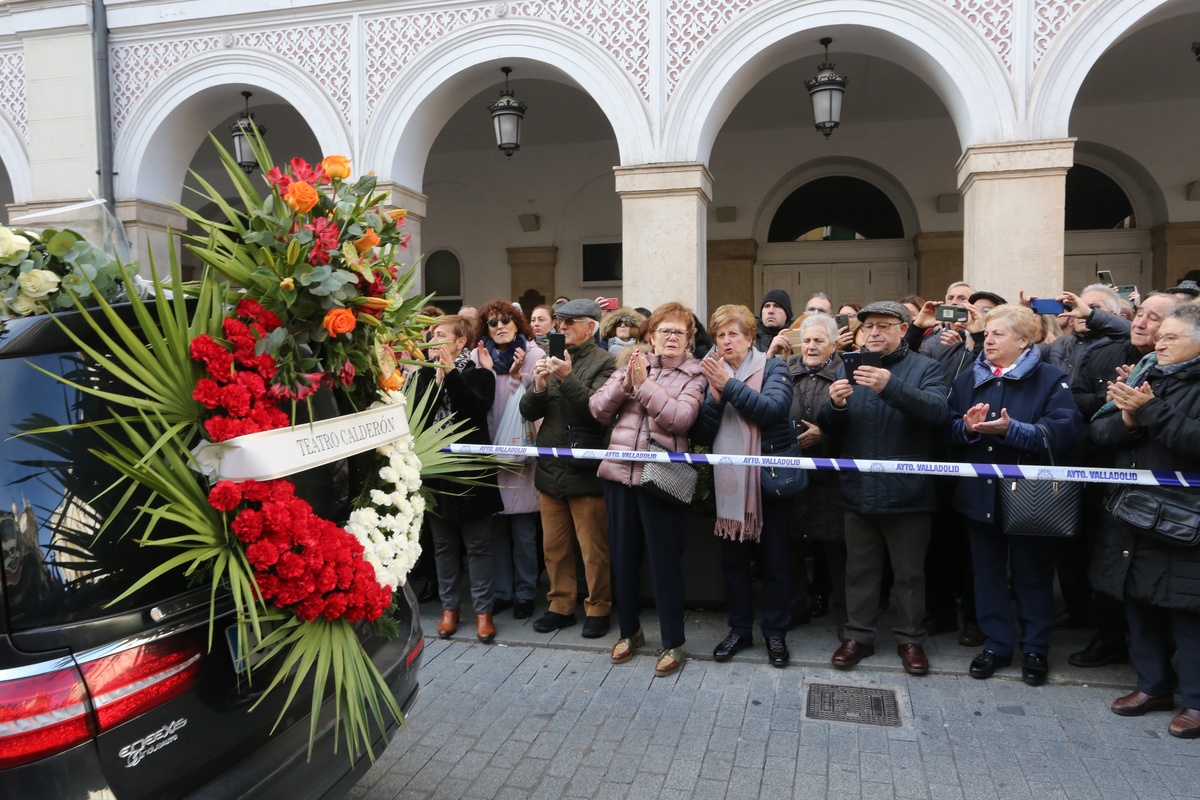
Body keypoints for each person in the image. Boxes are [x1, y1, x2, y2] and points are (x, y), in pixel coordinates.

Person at [946, 304, 1082, 685]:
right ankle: (996, 644)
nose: (987, 339)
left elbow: (1064, 431)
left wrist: (1011, 430)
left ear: (1025, 340)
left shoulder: (1052, 380)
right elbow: (948, 432)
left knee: (1033, 575)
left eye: (998, 334)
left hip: (1031, 500)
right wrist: (969, 430)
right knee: (986, 574)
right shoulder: (967, 380)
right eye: (986, 333)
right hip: (979, 496)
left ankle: (1036, 648)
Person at [818, 301, 948, 676]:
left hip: (907, 492)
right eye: (867, 326)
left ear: (903, 329)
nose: (873, 332)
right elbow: (831, 426)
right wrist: (836, 405)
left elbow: (938, 412)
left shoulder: (926, 368)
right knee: (859, 571)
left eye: (882, 325)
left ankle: (910, 639)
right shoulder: (850, 366)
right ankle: (859, 636)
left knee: (909, 574)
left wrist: (892, 387)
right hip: (858, 490)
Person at [1091, 302, 1200, 739]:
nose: (1160, 343)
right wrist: (1129, 417)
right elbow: (1098, 433)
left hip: (1186, 517)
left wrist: (1149, 410)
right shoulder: (1146, 372)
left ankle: (1195, 700)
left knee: (1187, 610)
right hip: (1132, 510)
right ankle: (1152, 686)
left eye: (1172, 337)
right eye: (1160, 336)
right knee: (1138, 600)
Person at [588, 302, 707, 677]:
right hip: (620, 475)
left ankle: (674, 641)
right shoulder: (629, 365)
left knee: (664, 562)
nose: (671, 338)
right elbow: (597, 410)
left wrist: (645, 386)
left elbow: (681, 419)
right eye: (664, 331)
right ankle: (629, 632)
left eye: (679, 332)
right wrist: (626, 382)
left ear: (689, 340)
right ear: (651, 336)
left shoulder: (695, 374)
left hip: (662, 479)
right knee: (622, 558)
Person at [691, 304, 797, 668]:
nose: (725, 341)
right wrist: (717, 398)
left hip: (769, 483)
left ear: (751, 338)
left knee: (775, 563)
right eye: (719, 335)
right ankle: (739, 629)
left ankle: (775, 633)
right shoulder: (712, 375)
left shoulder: (774, 366)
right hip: (730, 485)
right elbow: (702, 434)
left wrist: (729, 386)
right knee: (733, 563)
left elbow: (772, 411)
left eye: (733, 334)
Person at [520, 299, 617, 638]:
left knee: (593, 549)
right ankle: (560, 605)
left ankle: (598, 607)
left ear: (590, 327)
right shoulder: (551, 358)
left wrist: (567, 375)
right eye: (559, 322)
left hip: (584, 469)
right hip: (551, 467)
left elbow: (596, 411)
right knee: (554, 548)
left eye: (569, 323)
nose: (560, 328)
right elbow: (529, 411)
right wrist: (540, 384)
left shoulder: (607, 362)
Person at [415, 315, 502, 644]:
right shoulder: (424, 374)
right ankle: (449, 609)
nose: (433, 339)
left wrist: (451, 374)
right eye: (432, 334)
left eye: (440, 335)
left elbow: (474, 410)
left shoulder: (481, 375)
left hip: (472, 475)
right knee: (442, 545)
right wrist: (435, 376)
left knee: (479, 546)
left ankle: (483, 612)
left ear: (460, 342)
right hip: (436, 475)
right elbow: (419, 417)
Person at [471, 300, 545, 621]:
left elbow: (539, 402)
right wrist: (486, 373)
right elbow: (472, 399)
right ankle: (502, 591)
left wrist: (516, 379)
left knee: (524, 529)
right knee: (496, 527)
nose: (500, 326)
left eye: (506, 320)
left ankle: (526, 592)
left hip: (521, 450)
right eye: (492, 322)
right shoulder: (477, 356)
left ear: (517, 323)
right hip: (488, 449)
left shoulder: (535, 355)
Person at [786, 314, 845, 626]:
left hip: (831, 479)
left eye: (818, 340)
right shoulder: (785, 372)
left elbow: (856, 421)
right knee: (792, 546)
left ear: (833, 345)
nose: (810, 346)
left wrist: (825, 434)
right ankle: (796, 609)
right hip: (794, 476)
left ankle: (845, 620)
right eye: (806, 340)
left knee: (836, 549)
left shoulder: (845, 373)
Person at [755, 289, 793, 356]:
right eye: (767, 306)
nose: (770, 311)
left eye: (777, 306)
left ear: (787, 314)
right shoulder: (749, 337)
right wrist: (770, 353)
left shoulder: (798, 336)